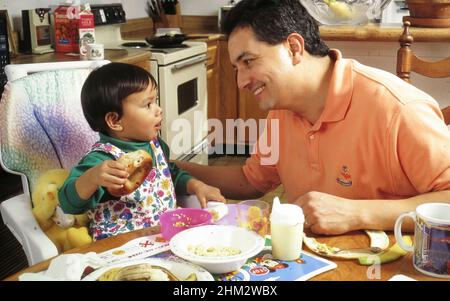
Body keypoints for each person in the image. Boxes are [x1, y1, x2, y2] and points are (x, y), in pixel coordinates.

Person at [176, 0, 450, 235]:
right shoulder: (280, 111)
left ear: (294, 48)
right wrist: (170, 168)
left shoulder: (398, 108)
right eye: (236, 68)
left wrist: (358, 213)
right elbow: (251, 181)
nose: (241, 81)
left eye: (248, 61)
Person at [59, 62, 225, 240]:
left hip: (164, 235)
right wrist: (92, 178)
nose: (158, 110)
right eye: (148, 105)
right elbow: (69, 204)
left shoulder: (155, 144)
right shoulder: (103, 160)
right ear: (115, 121)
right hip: (122, 247)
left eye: (156, 101)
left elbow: (170, 174)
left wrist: (196, 185)